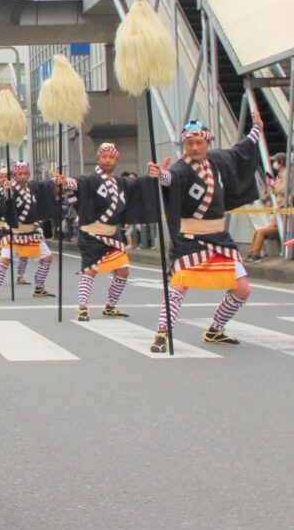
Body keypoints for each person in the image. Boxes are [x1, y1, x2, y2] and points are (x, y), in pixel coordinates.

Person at [146, 111, 263, 351]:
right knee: (179, 285)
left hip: (219, 238)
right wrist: (161, 175)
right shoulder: (182, 169)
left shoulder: (218, 160)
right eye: (190, 143)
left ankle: (215, 329)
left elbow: (240, 151)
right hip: (191, 239)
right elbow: (171, 180)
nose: (195, 147)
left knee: (242, 289)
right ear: (184, 145)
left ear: (208, 142)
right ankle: (162, 333)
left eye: (199, 142)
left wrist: (256, 129)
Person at [54, 143, 158, 321]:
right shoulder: (90, 179)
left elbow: (138, 184)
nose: (108, 160)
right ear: (98, 159)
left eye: (111, 157)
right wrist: (65, 182)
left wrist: (153, 176)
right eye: (104, 156)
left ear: (117, 160)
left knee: (123, 271)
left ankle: (110, 306)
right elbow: (76, 183)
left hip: (112, 234)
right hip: (91, 233)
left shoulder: (120, 182)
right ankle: (82, 308)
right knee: (90, 270)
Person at [0, 160, 57, 301]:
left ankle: (39, 287)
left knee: (47, 257)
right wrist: (8, 193)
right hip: (14, 232)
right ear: (15, 175)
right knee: (4, 259)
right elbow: (5, 206)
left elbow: (45, 187)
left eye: (25, 173)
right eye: (19, 174)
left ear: (29, 174)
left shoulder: (33, 187)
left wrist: (55, 180)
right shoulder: (10, 188)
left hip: (31, 232)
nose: (23, 176)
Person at [246, 152, 288, 263]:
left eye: (276, 161)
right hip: (278, 214)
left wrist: (274, 185)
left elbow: (283, 190)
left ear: (281, 162)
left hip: (284, 215)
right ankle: (251, 254)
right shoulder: (280, 174)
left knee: (261, 232)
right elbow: (275, 192)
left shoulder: (288, 174)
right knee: (257, 231)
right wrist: (271, 184)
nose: (274, 163)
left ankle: (255, 255)